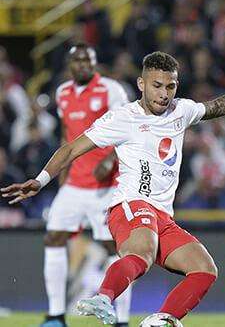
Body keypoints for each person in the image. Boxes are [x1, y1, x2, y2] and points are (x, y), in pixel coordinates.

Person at [2, 51, 225, 325]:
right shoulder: (123, 118)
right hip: (130, 205)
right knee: (141, 254)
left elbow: (218, 106)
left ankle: (161, 320)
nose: (164, 94)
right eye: (157, 86)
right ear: (141, 84)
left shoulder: (181, 111)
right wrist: (40, 180)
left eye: (171, 86)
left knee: (205, 269)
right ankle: (103, 298)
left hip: (163, 217)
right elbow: (72, 149)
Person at [40, 43, 131, 327]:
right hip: (75, 185)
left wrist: (112, 159)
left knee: (113, 249)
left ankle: (122, 320)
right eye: (77, 61)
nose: (82, 65)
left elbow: (128, 127)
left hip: (107, 186)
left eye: (87, 60)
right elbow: (67, 136)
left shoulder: (111, 90)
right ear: (70, 64)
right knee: (53, 237)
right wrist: (61, 172)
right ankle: (56, 316)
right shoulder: (62, 93)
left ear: (94, 63)